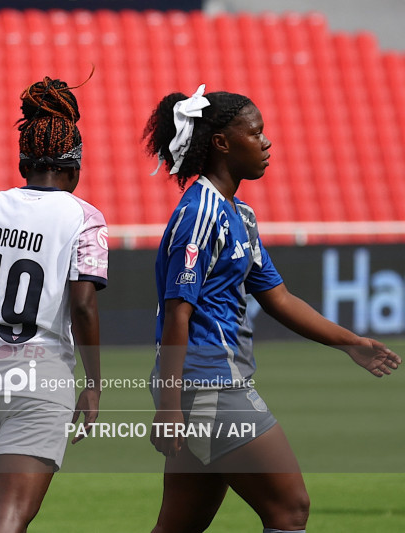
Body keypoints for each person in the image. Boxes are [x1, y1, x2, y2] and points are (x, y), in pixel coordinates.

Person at [144, 84, 401, 533]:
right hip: (209, 386)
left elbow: (278, 298)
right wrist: (168, 408)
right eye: (255, 132)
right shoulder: (199, 213)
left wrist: (351, 343)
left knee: (178, 527)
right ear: (222, 143)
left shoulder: (238, 214)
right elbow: (177, 314)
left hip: (205, 388)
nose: (266, 142)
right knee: (290, 508)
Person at [0, 76, 108, 533]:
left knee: (0, 509)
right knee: (10, 516)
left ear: (23, 163)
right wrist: (93, 384)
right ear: (75, 166)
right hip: (40, 373)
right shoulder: (84, 218)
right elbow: (84, 306)